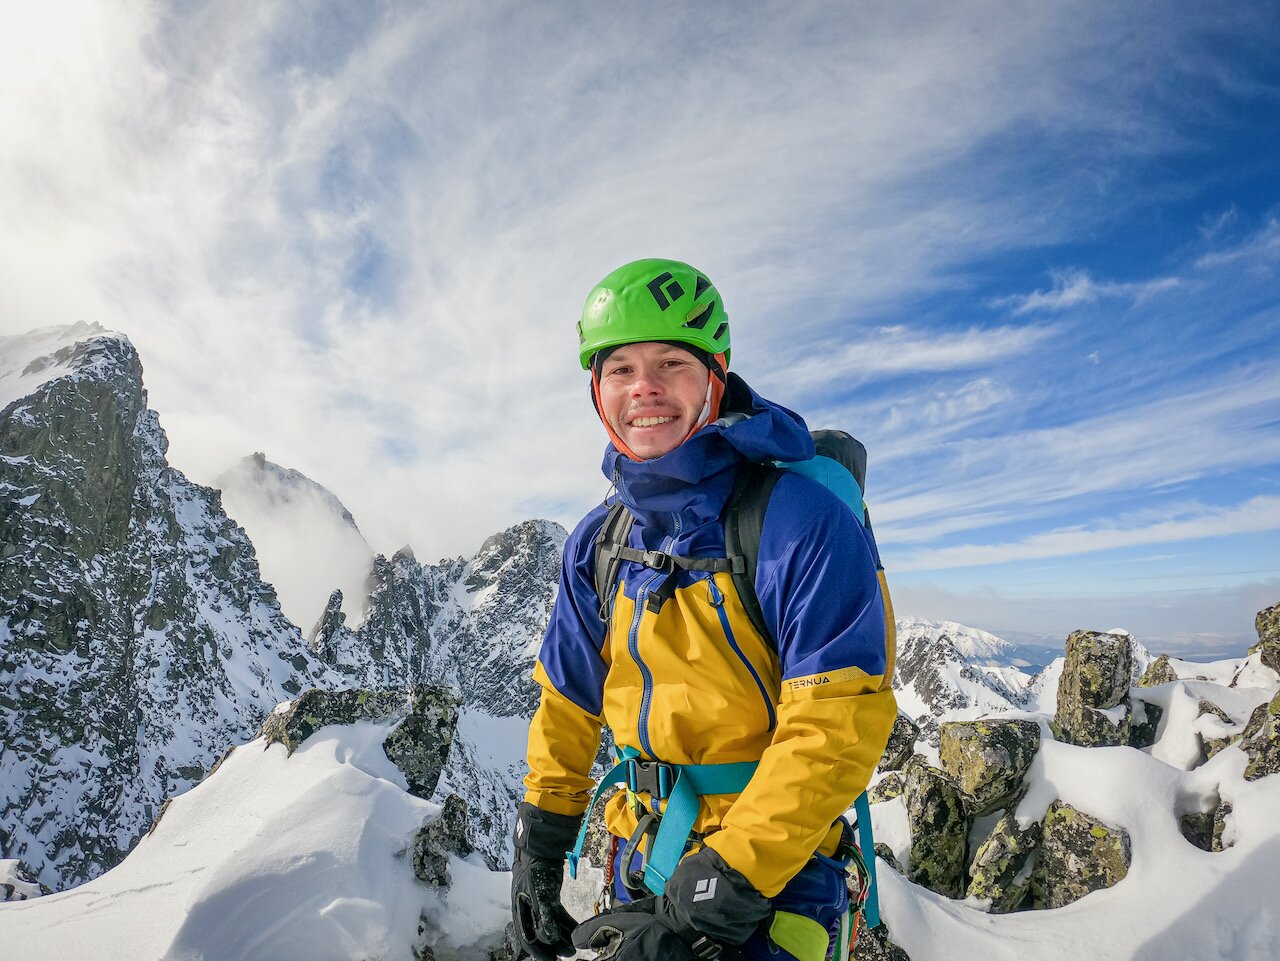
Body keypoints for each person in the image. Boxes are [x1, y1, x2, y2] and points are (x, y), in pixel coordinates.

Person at [510, 258, 897, 961]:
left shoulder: (799, 523)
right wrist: (540, 840)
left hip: (775, 868)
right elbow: (567, 700)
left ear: (716, 377)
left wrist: (730, 876)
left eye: (670, 363)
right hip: (643, 849)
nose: (644, 388)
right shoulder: (599, 543)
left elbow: (837, 722)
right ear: (597, 388)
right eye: (619, 367)